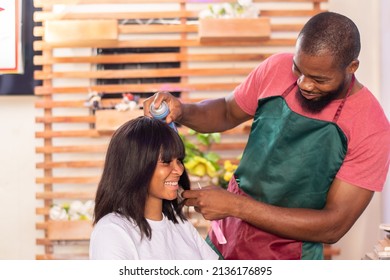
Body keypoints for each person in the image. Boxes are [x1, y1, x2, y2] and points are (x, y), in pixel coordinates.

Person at [143, 12, 390, 260]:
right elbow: (226, 111)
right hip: (226, 237)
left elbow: (333, 226)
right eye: (298, 69)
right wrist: (183, 110)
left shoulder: (372, 127)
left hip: (288, 257)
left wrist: (235, 206)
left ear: (352, 67)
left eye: (319, 79)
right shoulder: (276, 69)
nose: (304, 84)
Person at [89, 116, 218, 260]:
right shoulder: (112, 232)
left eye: (179, 161)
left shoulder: (180, 224)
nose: (179, 170)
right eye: (166, 162)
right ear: (135, 167)